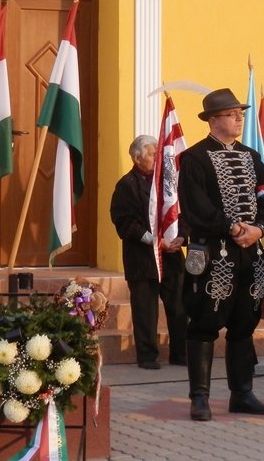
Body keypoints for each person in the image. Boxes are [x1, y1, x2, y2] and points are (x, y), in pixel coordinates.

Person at [178, 88, 264, 421]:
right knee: (204, 323)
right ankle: (200, 397)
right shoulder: (193, 159)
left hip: (251, 255)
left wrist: (259, 229)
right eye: (232, 114)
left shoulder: (252, 157)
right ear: (213, 120)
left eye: (240, 114)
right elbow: (196, 208)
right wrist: (234, 228)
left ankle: (243, 393)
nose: (239, 119)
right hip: (213, 254)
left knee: (244, 324)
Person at [110, 135, 187, 369]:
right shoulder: (126, 185)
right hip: (142, 257)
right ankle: (147, 356)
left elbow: (181, 213)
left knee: (179, 305)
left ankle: (180, 353)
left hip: (171, 255)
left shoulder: (168, 183)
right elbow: (125, 223)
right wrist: (155, 242)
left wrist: (181, 236)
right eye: (153, 154)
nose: (157, 158)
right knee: (145, 309)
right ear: (137, 157)